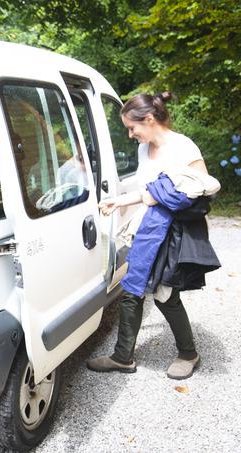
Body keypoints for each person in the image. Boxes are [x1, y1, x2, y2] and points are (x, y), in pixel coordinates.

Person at [86, 92, 212, 380]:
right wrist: (118, 201)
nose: (131, 134)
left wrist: (163, 199)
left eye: (133, 127)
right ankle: (122, 357)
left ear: (150, 119)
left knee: (165, 295)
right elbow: (147, 192)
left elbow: (204, 189)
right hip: (147, 230)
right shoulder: (144, 150)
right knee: (132, 290)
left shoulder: (182, 147)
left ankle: (188, 353)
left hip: (172, 231)